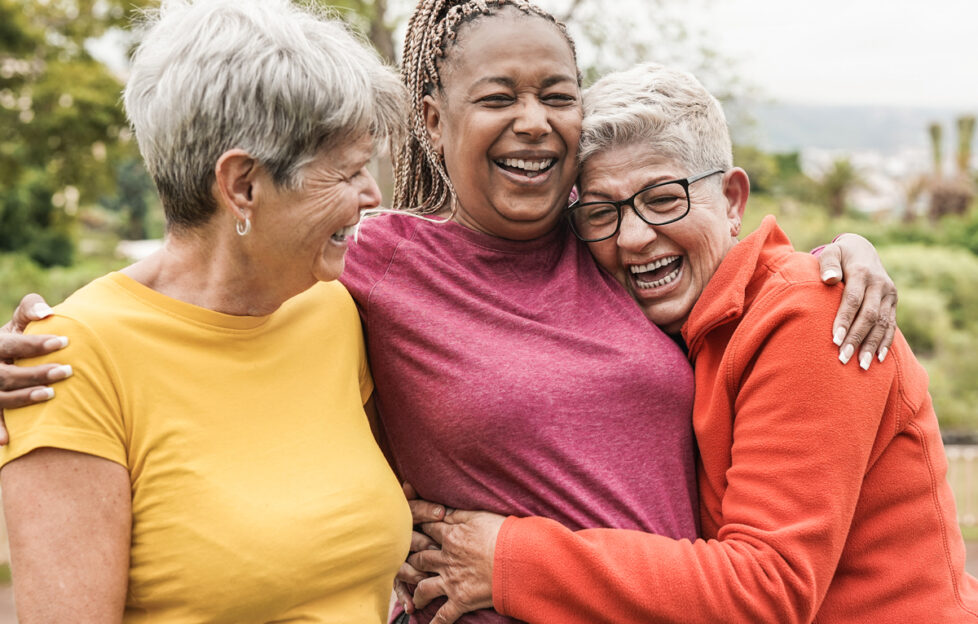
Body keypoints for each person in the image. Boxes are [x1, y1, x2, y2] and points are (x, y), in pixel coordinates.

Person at [0, 2, 898, 623]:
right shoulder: (371, 271)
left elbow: (721, 257)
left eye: (558, 95)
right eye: (498, 97)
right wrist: (49, 339)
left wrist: (839, 257)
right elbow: (199, 285)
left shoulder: (604, 240)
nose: (536, 122)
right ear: (432, 120)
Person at [400, 63, 978, 623]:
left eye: (663, 199)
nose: (633, 237)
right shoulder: (671, 321)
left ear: (731, 201)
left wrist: (508, 558)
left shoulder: (812, 316)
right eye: (603, 211)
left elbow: (766, 588)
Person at [0, 0, 411, 621]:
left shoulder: (334, 309)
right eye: (348, 172)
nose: (372, 195)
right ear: (242, 185)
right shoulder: (69, 359)